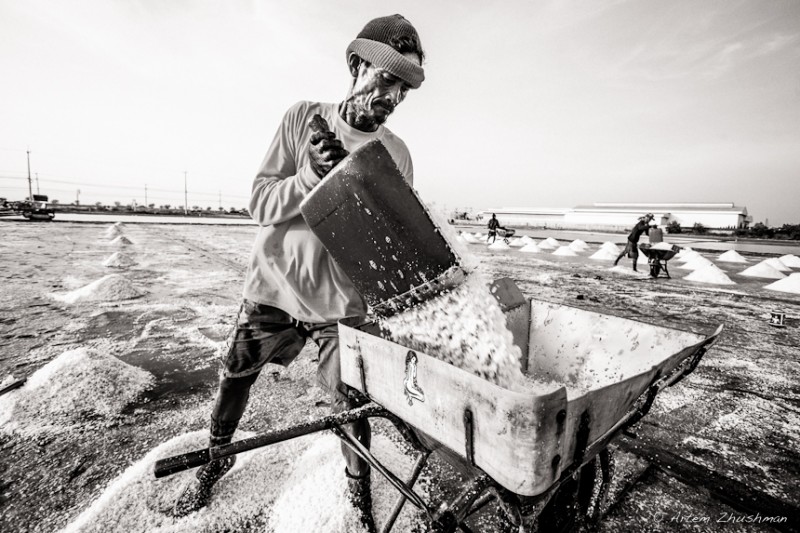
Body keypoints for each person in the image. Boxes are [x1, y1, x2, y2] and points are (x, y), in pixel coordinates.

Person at [172, 15, 425, 531]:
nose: (393, 95)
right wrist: (309, 177)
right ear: (356, 65)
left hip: (344, 311)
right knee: (234, 379)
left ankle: (359, 495)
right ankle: (218, 454)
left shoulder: (395, 154)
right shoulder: (302, 120)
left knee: (350, 407)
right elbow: (260, 203)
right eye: (386, 77)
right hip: (274, 291)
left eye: (405, 86)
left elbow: (388, 241)